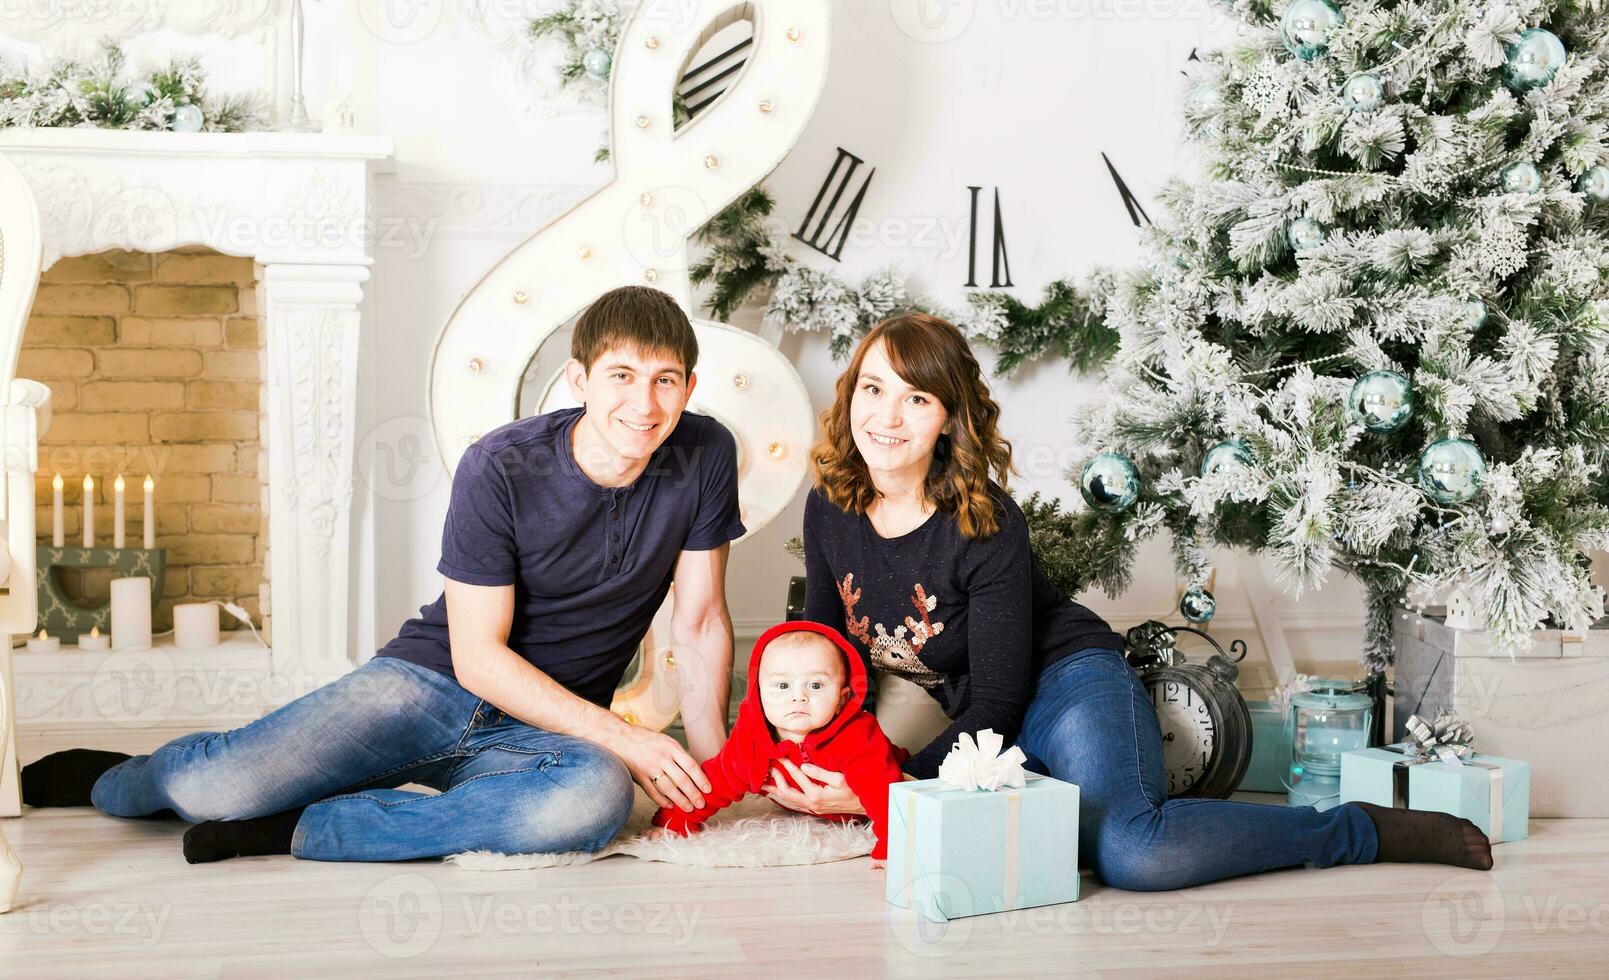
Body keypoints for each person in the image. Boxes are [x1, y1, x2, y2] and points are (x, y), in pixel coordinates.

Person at [21, 286, 745, 864]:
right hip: (425, 686)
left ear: (687, 386)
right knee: (216, 786)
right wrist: (629, 738)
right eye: (621, 376)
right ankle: (118, 778)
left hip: (543, 728)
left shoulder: (704, 452)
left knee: (588, 802)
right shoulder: (500, 464)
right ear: (578, 378)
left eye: (664, 381)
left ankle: (304, 829)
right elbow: (478, 656)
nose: (644, 405)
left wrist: (722, 774)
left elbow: (701, 621)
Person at [771, 311, 1492, 891]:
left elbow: (996, 698)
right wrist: (811, 759)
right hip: (985, 729)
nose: (886, 417)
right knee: (1058, 842)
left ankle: (1357, 830)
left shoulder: (984, 523)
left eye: (915, 398)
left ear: (948, 419)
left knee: (1132, 855)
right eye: (872, 389)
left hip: (1064, 684)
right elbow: (829, 657)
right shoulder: (831, 504)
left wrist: (890, 788)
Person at [651, 621, 907, 861]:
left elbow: (885, 792)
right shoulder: (752, 738)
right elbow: (717, 780)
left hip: (890, 778)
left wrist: (891, 848)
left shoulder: (857, 735)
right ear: (758, 694)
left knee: (911, 786)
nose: (798, 696)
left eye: (816, 685)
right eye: (782, 685)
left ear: (841, 699)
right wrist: (673, 821)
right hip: (808, 805)